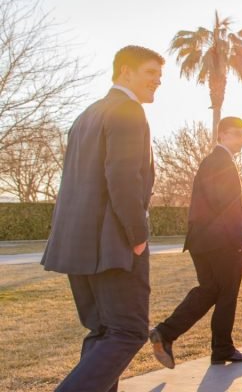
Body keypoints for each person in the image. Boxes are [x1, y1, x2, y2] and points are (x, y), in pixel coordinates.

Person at [40, 45, 163, 392]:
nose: (158, 82)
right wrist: (137, 235)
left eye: (160, 76)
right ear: (125, 71)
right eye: (150, 73)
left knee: (103, 333)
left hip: (78, 246)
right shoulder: (128, 110)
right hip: (114, 247)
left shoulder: (88, 114)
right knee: (127, 332)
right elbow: (123, 177)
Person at [149, 116, 242, 369]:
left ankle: (169, 333)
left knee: (209, 290)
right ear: (221, 135)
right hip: (222, 242)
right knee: (227, 294)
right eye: (236, 133)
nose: (241, 139)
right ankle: (219, 346)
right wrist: (240, 236)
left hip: (202, 241)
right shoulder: (221, 162)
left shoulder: (211, 162)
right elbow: (226, 203)